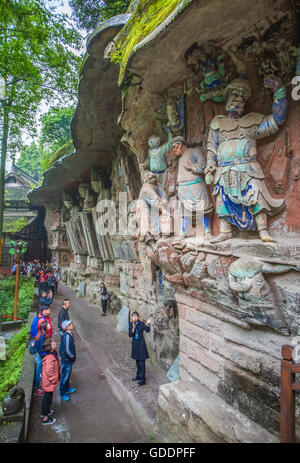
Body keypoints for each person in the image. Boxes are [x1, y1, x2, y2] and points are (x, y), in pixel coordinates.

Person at [129, 312, 152, 386]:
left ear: (138, 317)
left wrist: (148, 324)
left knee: (142, 363)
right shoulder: (131, 324)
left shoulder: (141, 323)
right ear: (132, 317)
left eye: (136, 316)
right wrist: (133, 328)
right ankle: (138, 376)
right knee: (137, 363)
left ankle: (142, 380)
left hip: (141, 345)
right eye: (133, 316)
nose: (135, 318)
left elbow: (147, 330)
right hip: (135, 345)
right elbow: (130, 334)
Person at [41, 338, 60, 425]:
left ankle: (46, 411)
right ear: (50, 347)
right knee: (47, 398)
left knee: (47, 397)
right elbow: (49, 372)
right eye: (53, 343)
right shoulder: (49, 358)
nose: (55, 343)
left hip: (47, 382)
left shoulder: (51, 353)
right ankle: (45, 418)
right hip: (48, 382)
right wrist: (54, 380)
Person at [59, 320, 77, 401]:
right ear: (67, 327)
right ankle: (62, 393)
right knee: (64, 377)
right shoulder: (66, 336)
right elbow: (67, 350)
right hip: (67, 360)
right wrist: (72, 356)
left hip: (68, 360)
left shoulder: (70, 334)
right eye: (70, 324)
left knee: (67, 375)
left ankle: (67, 388)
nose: (71, 324)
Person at [33, 321, 50, 397]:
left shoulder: (40, 334)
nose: (49, 325)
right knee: (39, 373)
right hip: (40, 357)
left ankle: (38, 387)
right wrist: (45, 354)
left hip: (39, 356)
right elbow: (40, 349)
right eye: (48, 325)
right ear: (44, 328)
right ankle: (37, 389)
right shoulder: (42, 336)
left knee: (39, 372)